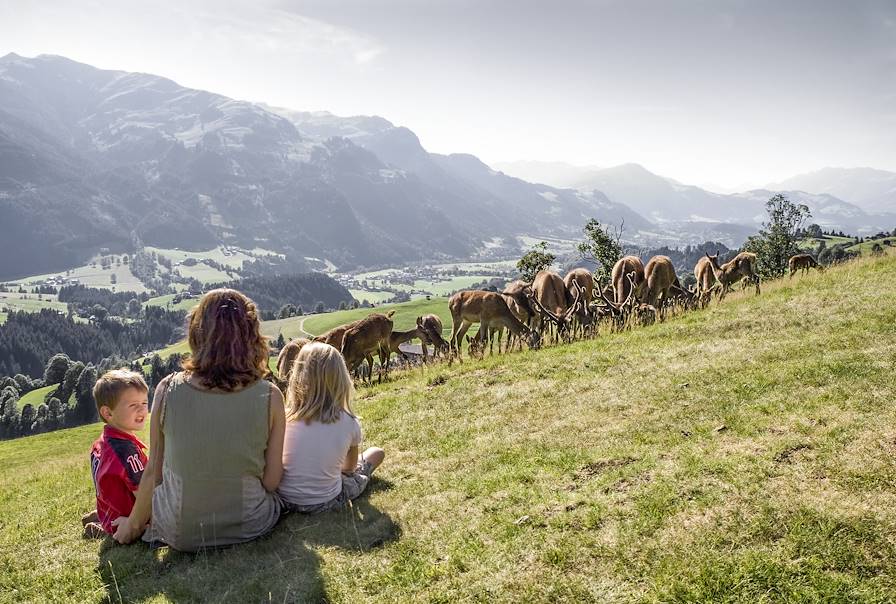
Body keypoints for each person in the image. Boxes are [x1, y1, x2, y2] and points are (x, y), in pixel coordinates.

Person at [112, 288, 285, 551]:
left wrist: (132, 527)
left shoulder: (167, 390)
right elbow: (272, 482)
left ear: (197, 333)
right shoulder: (270, 396)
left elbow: (153, 474)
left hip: (180, 533)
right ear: (252, 336)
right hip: (251, 525)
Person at [278, 342, 385, 513]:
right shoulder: (348, 421)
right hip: (327, 500)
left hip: (284, 499)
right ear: (341, 378)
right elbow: (349, 469)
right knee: (377, 453)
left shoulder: (284, 417)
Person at [82, 369, 150, 538]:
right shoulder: (125, 451)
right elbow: (145, 495)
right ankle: (103, 529)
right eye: (133, 405)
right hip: (125, 521)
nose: (142, 410)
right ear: (108, 413)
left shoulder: (103, 442)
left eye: (144, 403)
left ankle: (101, 517)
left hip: (110, 508)